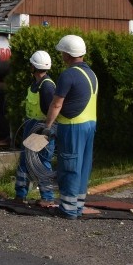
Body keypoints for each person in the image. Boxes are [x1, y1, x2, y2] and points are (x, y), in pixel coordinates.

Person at [43, 35, 98, 220]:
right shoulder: (91, 74)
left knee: (69, 165)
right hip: (90, 125)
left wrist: (47, 126)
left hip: (73, 127)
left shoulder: (68, 74)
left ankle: (67, 209)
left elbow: (56, 104)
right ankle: (78, 206)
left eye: (62, 52)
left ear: (67, 54)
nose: (61, 55)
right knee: (83, 167)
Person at [14, 50, 56, 207]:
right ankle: (22, 195)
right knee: (26, 161)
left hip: (41, 128)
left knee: (41, 162)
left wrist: (45, 130)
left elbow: (51, 110)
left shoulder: (46, 87)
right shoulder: (38, 84)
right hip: (32, 126)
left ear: (33, 66)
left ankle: (46, 197)